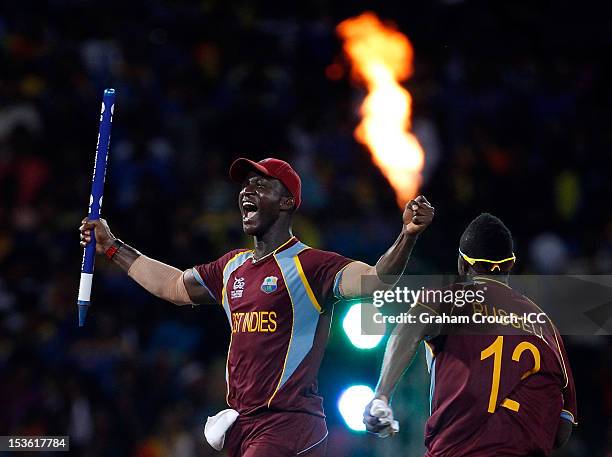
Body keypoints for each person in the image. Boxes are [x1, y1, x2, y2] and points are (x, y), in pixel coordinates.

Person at [79, 157, 435, 457]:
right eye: (245, 185)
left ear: (286, 202)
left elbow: (375, 278)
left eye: (260, 185)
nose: (247, 191)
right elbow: (172, 286)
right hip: (242, 425)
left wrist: (408, 235)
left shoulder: (311, 265)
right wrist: (112, 246)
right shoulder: (232, 266)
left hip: (289, 423)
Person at [364, 213, 578, 457]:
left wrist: (381, 395)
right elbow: (562, 429)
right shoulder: (545, 325)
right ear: (511, 264)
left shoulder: (449, 299)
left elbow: (406, 332)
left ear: (462, 264)